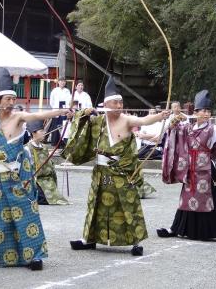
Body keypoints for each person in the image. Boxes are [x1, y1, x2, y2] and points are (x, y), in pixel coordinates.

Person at [0, 68, 72, 270]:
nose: (11, 103)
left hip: (13, 177)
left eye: (13, 99)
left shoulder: (18, 117)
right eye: (7, 99)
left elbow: (40, 114)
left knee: (25, 214)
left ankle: (35, 256)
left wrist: (61, 112)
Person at [63, 76, 169, 256]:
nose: (119, 106)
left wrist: (160, 116)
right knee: (95, 205)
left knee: (127, 205)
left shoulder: (127, 120)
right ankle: (89, 239)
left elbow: (143, 121)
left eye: (121, 103)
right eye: (115, 103)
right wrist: (81, 114)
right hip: (101, 171)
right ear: (106, 104)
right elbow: (76, 122)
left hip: (120, 170)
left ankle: (135, 242)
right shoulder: (97, 121)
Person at [157, 90, 216, 244]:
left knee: (215, 200)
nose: (206, 114)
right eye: (203, 111)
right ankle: (176, 228)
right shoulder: (188, 127)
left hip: (207, 169)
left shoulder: (212, 129)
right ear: (196, 112)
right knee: (187, 199)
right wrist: (172, 123)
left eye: (208, 111)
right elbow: (173, 132)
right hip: (191, 168)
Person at [26, 120, 69, 205]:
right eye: (41, 131)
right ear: (34, 133)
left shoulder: (44, 147)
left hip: (47, 179)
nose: (44, 133)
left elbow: (49, 164)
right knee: (41, 198)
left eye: (44, 131)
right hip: (35, 180)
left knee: (52, 196)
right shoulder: (27, 148)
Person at [48, 77, 71, 146]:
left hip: (64, 108)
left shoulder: (67, 91)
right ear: (58, 82)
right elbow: (51, 101)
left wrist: (67, 109)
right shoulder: (54, 90)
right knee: (55, 126)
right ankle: (55, 143)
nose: (62, 83)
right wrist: (55, 108)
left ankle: (63, 143)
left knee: (64, 126)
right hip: (57, 109)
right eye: (61, 81)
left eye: (64, 81)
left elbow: (69, 100)